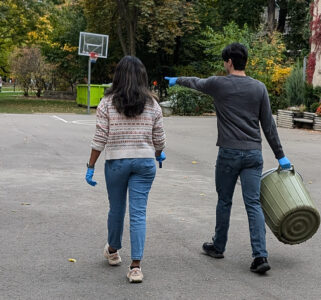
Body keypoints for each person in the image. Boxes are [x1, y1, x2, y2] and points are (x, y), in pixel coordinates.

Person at [165, 43, 291, 274]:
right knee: (253, 203)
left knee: (225, 200)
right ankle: (260, 255)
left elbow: (195, 82)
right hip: (254, 153)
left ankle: (219, 245)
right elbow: (268, 125)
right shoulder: (259, 88)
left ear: (230, 62)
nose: (224, 65)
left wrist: (177, 80)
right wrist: (280, 156)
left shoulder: (218, 84)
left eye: (225, 61)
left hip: (229, 154)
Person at [85, 55, 166, 283]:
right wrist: (158, 154)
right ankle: (136, 267)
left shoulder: (106, 103)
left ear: (118, 77)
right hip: (144, 163)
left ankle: (112, 250)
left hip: (117, 163)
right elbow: (159, 139)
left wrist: (90, 165)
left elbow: (100, 138)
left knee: (117, 209)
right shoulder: (152, 104)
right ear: (142, 77)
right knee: (138, 213)